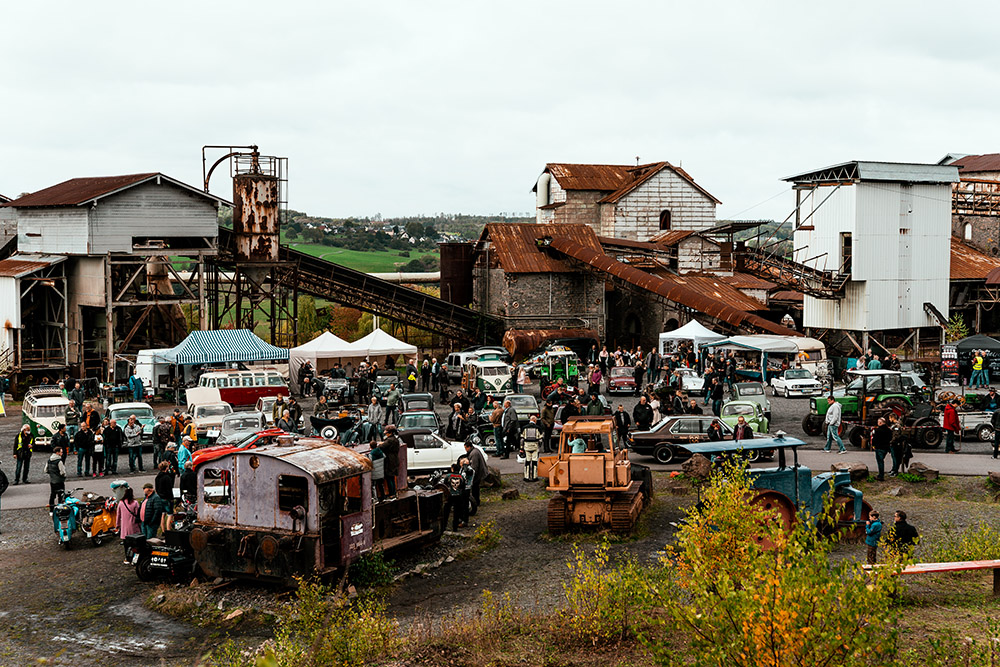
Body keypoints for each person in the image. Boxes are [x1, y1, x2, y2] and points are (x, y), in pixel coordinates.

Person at [440, 462, 469, 530]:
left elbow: (445, 485)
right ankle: (455, 527)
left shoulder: (448, 476)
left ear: (452, 469)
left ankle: (443, 527)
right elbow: (463, 487)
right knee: (457, 512)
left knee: (446, 511)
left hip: (449, 496)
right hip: (458, 496)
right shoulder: (461, 477)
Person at [46, 446, 67, 513]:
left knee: (53, 495)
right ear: (57, 453)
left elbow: (45, 470)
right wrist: (63, 476)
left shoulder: (49, 460)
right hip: (59, 481)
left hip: (52, 481)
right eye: (61, 452)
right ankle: (60, 509)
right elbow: (62, 472)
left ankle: (51, 510)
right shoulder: (59, 461)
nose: (62, 453)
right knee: (61, 495)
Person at [381, 425, 400, 495]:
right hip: (394, 460)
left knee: (389, 478)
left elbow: (381, 447)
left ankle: (392, 494)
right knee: (392, 478)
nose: (386, 433)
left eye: (387, 432)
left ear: (390, 432)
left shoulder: (389, 440)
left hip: (389, 461)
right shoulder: (395, 439)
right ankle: (394, 493)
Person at [521, 415, 542, 482]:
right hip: (535, 446)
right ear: (535, 420)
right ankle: (534, 476)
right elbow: (540, 439)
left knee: (527, 461)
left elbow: (522, 439)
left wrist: (521, 448)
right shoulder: (538, 428)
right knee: (534, 461)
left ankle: (526, 477)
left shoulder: (524, 428)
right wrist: (540, 446)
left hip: (527, 446)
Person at [871, 417, 892, 481]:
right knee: (882, 460)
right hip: (885, 448)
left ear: (880, 423)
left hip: (879, 447)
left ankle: (881, 475)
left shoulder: (878, 430)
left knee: (880, 462)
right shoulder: (888, 430)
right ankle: (881, 474)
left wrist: (873, 445)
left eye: (878, 422)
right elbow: (890, 438)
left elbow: (875, 439)